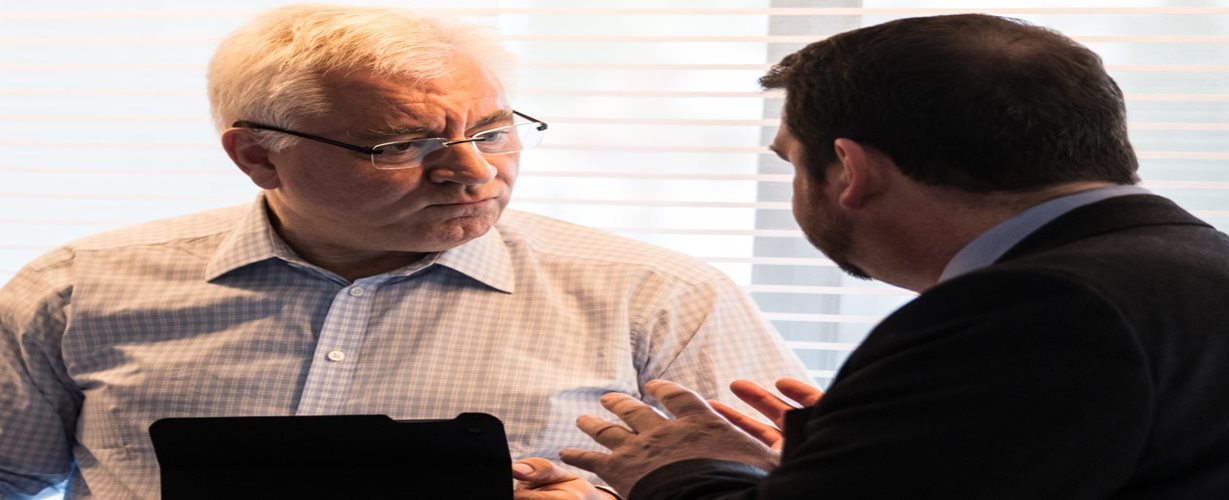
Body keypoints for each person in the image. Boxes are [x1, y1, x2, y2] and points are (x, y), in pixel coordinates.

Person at [0, 4, 812, 499]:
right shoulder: (77, 291)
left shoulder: (660, 298)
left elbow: (778, 497)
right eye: (402, 144)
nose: (473, 171)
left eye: (493, 131)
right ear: (255, 155)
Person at [552, 13, 1229, 499]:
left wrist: (679, 470)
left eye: (790, 160)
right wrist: (856, 460)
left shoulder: (1035, 313)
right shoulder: (1217, 273)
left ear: (850, 171)